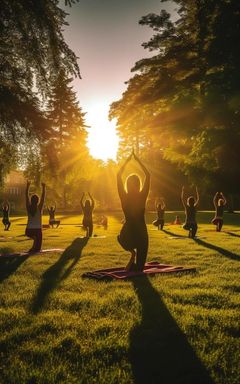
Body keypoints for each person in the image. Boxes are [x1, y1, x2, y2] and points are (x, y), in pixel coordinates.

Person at [117, 151, 150, 272]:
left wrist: (127, 160)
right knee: (139, 270)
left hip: (127, 236)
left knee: (138, 270)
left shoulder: (124, 197)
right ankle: (133, 257)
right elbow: (148, 175)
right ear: (138, 184)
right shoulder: (142, 196)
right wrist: (138, 160)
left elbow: (118, 175)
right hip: (141, 234)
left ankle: (132, 255)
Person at [25, 181, 46, 252]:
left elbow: (26, 196)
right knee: (38, 249)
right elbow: (43, 198)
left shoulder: (28, 207)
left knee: (36, 248)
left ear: (31, 200)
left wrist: (28, 186)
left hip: (29, 230)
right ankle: (35, 239)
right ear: (37, 201)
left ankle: (34, 239)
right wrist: (43, 187)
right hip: (38, 230)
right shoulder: (39, 208)